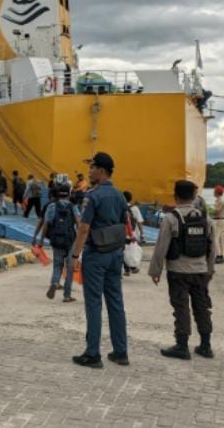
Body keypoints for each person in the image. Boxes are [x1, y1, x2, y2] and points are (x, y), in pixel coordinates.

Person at [71, 152, 129, 369]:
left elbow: (84, 228)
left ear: (101, 171)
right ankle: (121, 351)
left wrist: (75, 256)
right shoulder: (119, 194)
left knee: (94, 303)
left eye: (92, 167)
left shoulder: (92, 196)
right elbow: (124, 221)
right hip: (115, 252)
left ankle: (93, 353)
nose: (89, 170)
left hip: (96, 254)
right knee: (115, 302)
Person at [148, 180, 216, 360]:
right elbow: (212, 248)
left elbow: (161, 247)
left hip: (178, 271)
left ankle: (182, 345)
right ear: (194, 196)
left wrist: (155, 271)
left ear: (175, 196)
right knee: (202, 307)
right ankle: (206, 345)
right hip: (200, 271)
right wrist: (209, 270)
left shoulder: (171, 219)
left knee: (181, 308)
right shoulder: (206, 219)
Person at [38, 183, 79, 303]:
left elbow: (46, 224)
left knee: (57, 265)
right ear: (69, 194)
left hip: (56, 240)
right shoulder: (73, 206)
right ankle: (67, 295)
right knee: (70, 267)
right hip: (70, 240)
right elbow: (78, 222)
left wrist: (41, 240)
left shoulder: (51, 206)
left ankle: (55, 283)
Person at [123, 191, 144, 275]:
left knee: (123, 250)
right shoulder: (134, 208)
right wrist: (142, 234)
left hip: (123, 233)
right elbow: (140, 222)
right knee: (132, 250)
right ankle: (132, 266)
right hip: (133, 233)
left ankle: (128, 268)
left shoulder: (120, 206)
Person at [212, 185, 224, 264]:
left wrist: (211, 212)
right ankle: (221, 254)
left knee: (215, 238)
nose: (213, 192)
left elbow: (216, 211)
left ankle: (218, 255)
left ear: (217, 192)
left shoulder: (219, 201)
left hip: (218, 220)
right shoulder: (222, 200)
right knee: (221, 239)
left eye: (214, 191)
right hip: (222, 220)